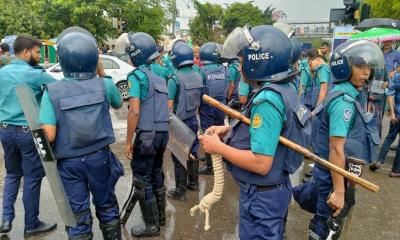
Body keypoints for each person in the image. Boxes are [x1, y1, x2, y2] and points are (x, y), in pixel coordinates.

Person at [199, 25, 311, 239]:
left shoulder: (267, 100)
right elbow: (272, 130)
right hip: (274, 190)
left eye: (243, 61)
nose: (241, 67)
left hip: (262, 198)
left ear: (259, 60)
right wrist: (228, 130)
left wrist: (219, 147)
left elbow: (261, 163)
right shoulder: (285, 87)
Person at [39, 28, 123, 240]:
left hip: (70, 164)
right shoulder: (104, 84)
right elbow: (119, 102)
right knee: (107, 206)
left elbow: (48, 135)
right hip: (100, 159)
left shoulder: (52, 91)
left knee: (78, 214)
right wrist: (102, 75)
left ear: (63, 60)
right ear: (94, 59)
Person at [306, 40, 383, 239]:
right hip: (333, 178)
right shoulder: (343, 102)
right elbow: (336, 149)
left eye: (368, 67)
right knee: (327, 225)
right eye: (360, 66)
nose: (366, 72)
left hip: (340, 175)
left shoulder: (351, 94)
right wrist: (339, 191)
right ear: (344, 67)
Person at [0, 35, 57, 236]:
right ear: (25, 52)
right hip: (29, 132)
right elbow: (60, 90)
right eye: (36, 52)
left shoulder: (2, 72)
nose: (39, 56)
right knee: (32, 177)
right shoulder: (36, 74)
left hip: (5, 131)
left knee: (13, 174)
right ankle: (31, 224)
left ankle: (6, 219)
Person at [124, 32, 169, 237]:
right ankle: (160, 217)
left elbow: (134, 110)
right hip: (162, 135)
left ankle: (151, 226)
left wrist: (128, 142)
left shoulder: (137, 76)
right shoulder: (159, 76)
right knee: (156, 174)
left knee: (142, 179)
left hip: (147, 136)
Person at [166, 41, 203, 200]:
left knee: (179, 155)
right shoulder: (198, 75)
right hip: (193, 120)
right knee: (193, 151)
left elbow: (168, 107)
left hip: (179, 123)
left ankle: (181, 191)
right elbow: (200, 100)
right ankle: (194, 183)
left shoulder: (174, 79)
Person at [198, 42, 232, 175]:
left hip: (207, 107)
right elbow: (230, 86)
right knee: (219, 131)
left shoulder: (201, 71)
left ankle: (210, 166)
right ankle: (219, 156)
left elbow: (199, 89)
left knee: (208, 132)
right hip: (221, 105)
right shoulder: (224, 69)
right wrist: (225, 100)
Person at [369, 72, 400, 176]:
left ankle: (379, 161)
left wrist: (392, 113)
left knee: (389, 137)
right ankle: (396, 170)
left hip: (396, 113)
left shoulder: (397, 76)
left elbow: (390, 93)